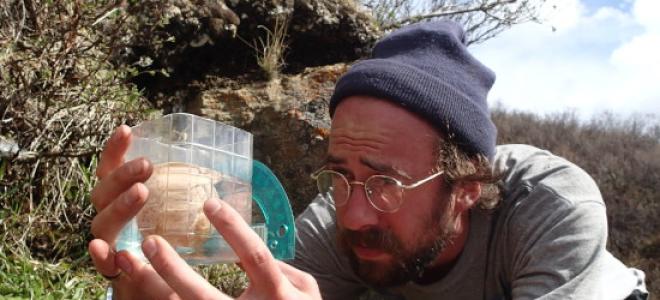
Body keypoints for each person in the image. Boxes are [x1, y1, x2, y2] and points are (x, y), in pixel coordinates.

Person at [89, 20, 648, 299]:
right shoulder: (334, 226)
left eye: (386, 185)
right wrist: (149, 281)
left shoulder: (550, 205)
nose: (354, 215)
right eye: (341, 176)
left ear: (469, 185)